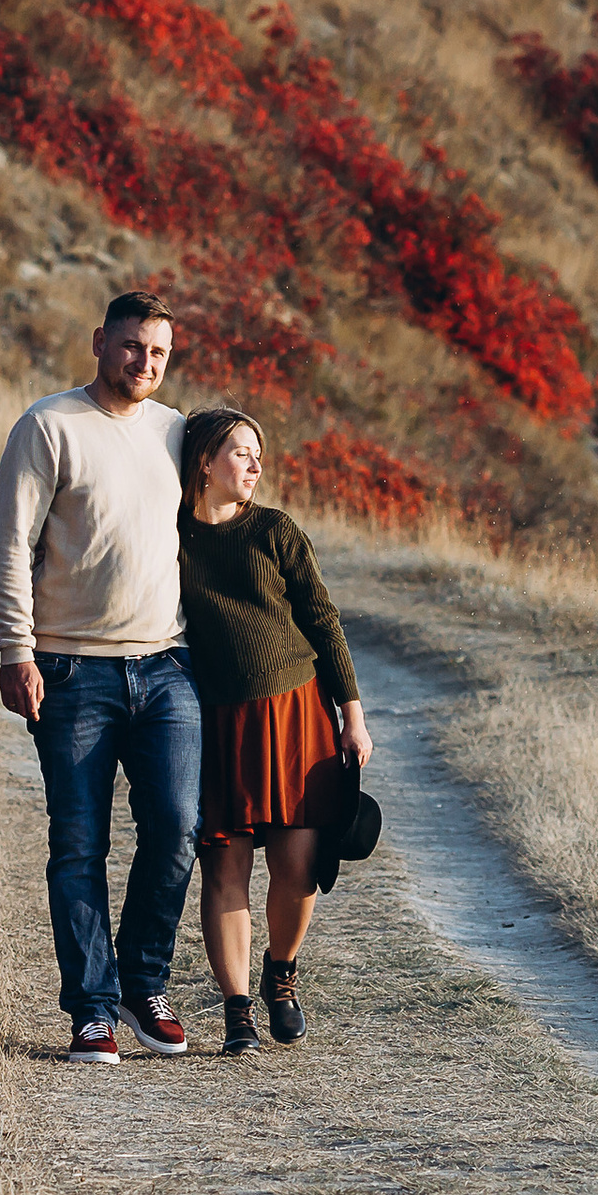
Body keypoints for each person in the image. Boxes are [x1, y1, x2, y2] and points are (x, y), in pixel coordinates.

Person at [0, 290, 201, 1065]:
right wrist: (16, 651)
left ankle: (145, 986)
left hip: (167, 667)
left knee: (177, 828)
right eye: (132, 347)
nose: (144, 363)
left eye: (158, 353)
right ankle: (92, 1011)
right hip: (72, 668)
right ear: (99, 343)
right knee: (78, 844)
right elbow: (10, 543)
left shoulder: (177, 432)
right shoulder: (49, 426)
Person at [178, 404, 372, 1055]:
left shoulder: (275, 531)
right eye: (241, 452)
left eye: (258, 453)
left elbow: (322, 619)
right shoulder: (170, 534)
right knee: (224, 870)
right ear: (205, 461)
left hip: (296, 717)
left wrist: (351, 713)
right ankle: (237, 1012)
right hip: (218, 726)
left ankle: (280, 973)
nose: (256, 465)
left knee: (298, 869)